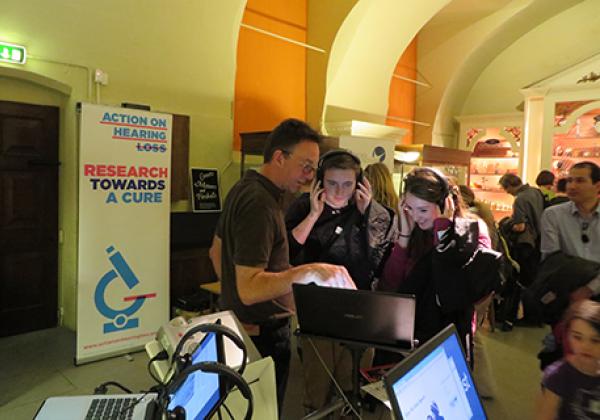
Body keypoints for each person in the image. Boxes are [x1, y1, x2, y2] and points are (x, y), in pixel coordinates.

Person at [209, 119, 356, 412]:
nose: (309, 175)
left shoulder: (246, 188)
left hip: (245, 326)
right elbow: (249, 287)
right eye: (305, 166)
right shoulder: (259, 203)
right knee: (262, 409)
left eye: (314, 169)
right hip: (260, 335)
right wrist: (307, 271)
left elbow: (216, 252)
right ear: (279, 157)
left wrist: (235, 304)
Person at [285, 150, 397, 412]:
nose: (339, 191)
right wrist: (314, 214)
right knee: (318, 383)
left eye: (347, 184)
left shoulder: (372, 212)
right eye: (332, 183)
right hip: (316, 306)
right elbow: (286, 252)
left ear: (359, 185)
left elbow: (379, 262)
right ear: (320, 183)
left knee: (350, 384)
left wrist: (368, 212)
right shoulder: (303, 206)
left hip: (358, 307)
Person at [378, 167, 493, 363]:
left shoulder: (470, 229)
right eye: (409, 209)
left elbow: (452, 289)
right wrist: (404, 237)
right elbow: (390, 285)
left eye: (423, 210)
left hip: (447, 336)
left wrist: (442, 229)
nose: (416, 216)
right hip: (408, 335)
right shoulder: (412, 229)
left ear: (445, 203)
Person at [536, 300, 600, 420]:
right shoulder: (559, 376)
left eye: (595, 340)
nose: (585, 346)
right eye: (577, 337)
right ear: (568, 336)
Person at [498, 172, 545, 328]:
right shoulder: (535, 192)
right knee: (533, 280)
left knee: (521, 281)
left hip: (526, 245)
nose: (507, 193)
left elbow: (520, 226)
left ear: (510, 185)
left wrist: (508, 223)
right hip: (539, 240)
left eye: (506, 189)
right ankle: (536, 316)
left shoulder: (520, 199)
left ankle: (516, 318)